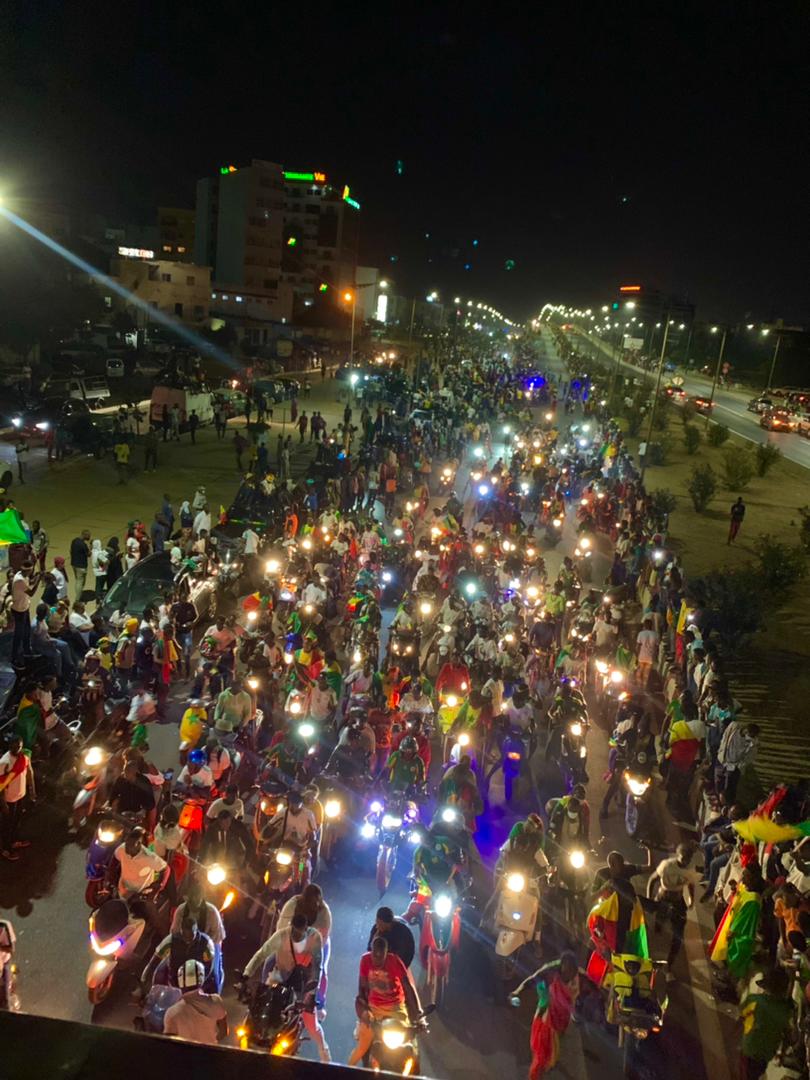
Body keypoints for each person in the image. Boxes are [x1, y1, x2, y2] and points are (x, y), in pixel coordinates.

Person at [240, 913, 331, 1063]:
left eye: (300, 932)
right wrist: (246, 974)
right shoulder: (281, 936)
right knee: (255, 1009)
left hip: (301, 985)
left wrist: (312, 994)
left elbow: (317, 967)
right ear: (291, 927)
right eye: (294, 931)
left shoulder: (315, 938)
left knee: (311, 1023)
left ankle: (324, 1053)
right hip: (279, 978)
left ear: (306, 929)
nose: (296, 935)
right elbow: (261, 954)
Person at [347, 935, 421, 1067]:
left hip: (396, 1008)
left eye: (381, 956)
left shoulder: (395, 962)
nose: (377, 959)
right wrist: (365, 1011)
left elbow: (408, 988)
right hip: (374, 1008)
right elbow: (362, 988)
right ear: (371, 951)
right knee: (362, 1047)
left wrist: (417, 1016)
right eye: (375, 956)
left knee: (411, 1044)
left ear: (387, 953)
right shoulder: (365, 960)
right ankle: (344, 1072)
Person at [528, 953, 580, 1080]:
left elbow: (573, 998)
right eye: (567, 970)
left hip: (561, 1019)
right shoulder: (550, 981)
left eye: (572, 971)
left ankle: (548, 1062)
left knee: (555, 1046)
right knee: (541, 1057)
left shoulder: (575, 978)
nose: (569, 973)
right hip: (547, 1023)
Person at [651, 842, 700, 976]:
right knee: (660, 917)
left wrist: (691, 899)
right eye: (683, 858)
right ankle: (658, 927)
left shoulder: (690, 870)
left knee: (678, 935)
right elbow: (653, 879)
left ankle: (670, 963)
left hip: (678, 901)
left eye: (688, 859)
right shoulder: (667, 866)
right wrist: (650, 899)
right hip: (663, 898)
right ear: (677, 855)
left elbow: (690, 884)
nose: (685, 861)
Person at [163, 959, 228, 1044]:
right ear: (202, 978)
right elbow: (224, 1032)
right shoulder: (215, 1001)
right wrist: (211, 1041)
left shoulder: (172, 1012)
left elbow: (168, 1044)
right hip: (210, 1055)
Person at [0, 736, 35, 861]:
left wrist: (32, 792)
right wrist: (3, 803)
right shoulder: (5, 762)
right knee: (7, 825)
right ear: (9, 746)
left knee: (17, 821)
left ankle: (15, 841)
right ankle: (6, 849)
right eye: (13, 746)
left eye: (18, 746)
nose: (16, 749)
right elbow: (0, 785)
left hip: (20, 795)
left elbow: (29, 773)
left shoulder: (24, 757)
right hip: (9, 799)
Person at [112, 826, 169, 902]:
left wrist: (159, 885)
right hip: (123, 888)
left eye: (130, 846)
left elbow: (166, 869)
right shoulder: (122, 848)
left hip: (141, 892)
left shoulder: (149, 858)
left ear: (139, 844)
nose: (127, 849)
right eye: (127, 845)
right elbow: (115, 858)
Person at [10, 559, 38, 664]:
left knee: (27, 632)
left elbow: (30, 582)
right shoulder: (19, 579)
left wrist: (36, 577)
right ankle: (14, 656)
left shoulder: (23, 575)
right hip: (19, 610)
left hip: (25, 607)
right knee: (19, 635)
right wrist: (38, 580)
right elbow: (31, 592)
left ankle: (27, 650)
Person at [635, 617, 659, 688]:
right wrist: (655, 657)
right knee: (646, 674)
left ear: (644, 625)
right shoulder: (655, 635)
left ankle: (639, 687)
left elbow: (637, 647)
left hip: (641, 657)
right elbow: (657, 647)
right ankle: (644, 688)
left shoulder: (641, 634)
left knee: (639, 673)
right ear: (651, 626)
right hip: (650, 657)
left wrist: (636, 656)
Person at [70, 529, 91, 601]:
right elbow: (88, 554)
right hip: (81, 566)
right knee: (80, 581)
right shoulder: (83, 544)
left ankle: (79, 594)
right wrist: (90, 548)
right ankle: (77, 599)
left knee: (78, 580)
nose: (89, 537)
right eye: (89, 536)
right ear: (84, 535)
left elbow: (70, 551)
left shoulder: (74, 541)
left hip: (74, 564)